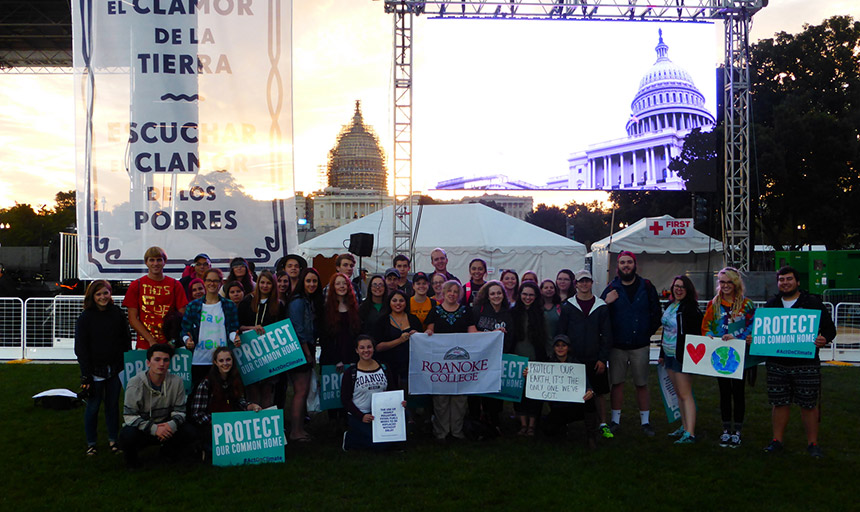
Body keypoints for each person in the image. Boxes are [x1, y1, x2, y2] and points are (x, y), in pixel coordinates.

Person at [761, 266, 836, 458]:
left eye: (789, 279)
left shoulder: (812, 302)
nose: (785, 283)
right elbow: (761, 332)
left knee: (809, 404)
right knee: (779, 403)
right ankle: (776, 440)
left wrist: (824, 339)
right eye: (781, 280)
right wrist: (755, 339)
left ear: (797, 282)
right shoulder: (771, 305)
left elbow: (830, 329)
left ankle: (813, 443)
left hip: (806, 364)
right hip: (777, 364)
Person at [600, 251, 661, 436]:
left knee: (641, 383)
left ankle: (645, 422)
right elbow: (601, 315)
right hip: (617, 346)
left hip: (640, 346)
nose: (626, 265)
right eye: (622, 262)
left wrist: (645, 332)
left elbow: (656, 313)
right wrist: (606, 302)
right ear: (618, 266)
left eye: (629, 262)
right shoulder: (611, 287)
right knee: (617, 383)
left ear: (635, 265)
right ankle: (615, 420)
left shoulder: (647, 286)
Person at [75, 280, 131, 455]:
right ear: (92, 296)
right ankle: (91, 443)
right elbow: (81, 348)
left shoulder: (117, 313)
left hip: (115, 368)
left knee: (112, 406)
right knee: (92, 407)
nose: (102, 297)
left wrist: (124, 361)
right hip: (94, 371)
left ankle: (113, 440)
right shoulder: (85, 317)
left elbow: (126, 339)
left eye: (105, 293)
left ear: (110, 293)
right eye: (98, 294)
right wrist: (86, 374)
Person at [702, 267, 756, 448]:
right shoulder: (714, 303)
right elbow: (706, 325)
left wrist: (739, 337)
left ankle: (737, 430)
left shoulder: (746, 304)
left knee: (738, 393)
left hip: (740, 356)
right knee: (724, 392)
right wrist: (709, 335)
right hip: (720, 354)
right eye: (722, 282)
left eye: (729, 282)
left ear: (736, 283)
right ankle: (726, 429)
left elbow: (752, 326)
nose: (725, 285)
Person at [556, 270, 613, 439]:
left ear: (591, 283)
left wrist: (603, 359)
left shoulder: (601, 306)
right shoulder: (568, 306)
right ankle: (566, 423)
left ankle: (603, 423)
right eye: (581, 281)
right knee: (569, 391)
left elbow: (607, 335)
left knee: (598, 393)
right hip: (574, 359)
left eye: (587, 281)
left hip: (595, 358)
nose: (584, 284)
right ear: (576, 284)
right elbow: (561, 333)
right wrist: (564, 357)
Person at [118, 343, 196, 468]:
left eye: (166, 360)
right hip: (144, 428)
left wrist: (171, 425)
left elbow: (180, 411)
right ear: (148, 363)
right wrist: (154, 429)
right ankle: (132, 462)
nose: (161, 364)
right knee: (127, 434)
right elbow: (129, 416)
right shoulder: (135, 383)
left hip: (166, 426)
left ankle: (168, 453)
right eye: (157, 360)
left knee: (189, 430)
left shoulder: (177, 382)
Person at [424, 280, 477, 441]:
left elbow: (473, 333)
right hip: (441, 365)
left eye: (455, 291)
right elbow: (429, 331)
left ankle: (456, 431)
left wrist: (493, 334)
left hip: (460, 364)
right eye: (449, 291)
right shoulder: (435, 311)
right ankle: (441, 432)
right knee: (441, 398)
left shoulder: (466, 311)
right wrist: (427, 333)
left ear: (459, 294)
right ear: (444, 292)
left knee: (460, 398)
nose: (452, 294)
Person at [189, 347, 262, 457]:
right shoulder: (206, 384)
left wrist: (251, 406)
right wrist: (217, 422)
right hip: (211, 427)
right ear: (215, 363)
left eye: (228, 360)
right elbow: (197, 414)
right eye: (221, 361)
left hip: (231, 425)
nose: (225, 363)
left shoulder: (235, 380)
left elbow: (239, 401)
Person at [658, 275, 703, 444]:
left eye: (682, 287)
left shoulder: (691, 309)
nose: (678, 289)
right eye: (676, 286)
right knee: (678, 394)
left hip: (682, 355)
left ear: (688, 290)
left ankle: (690, 432)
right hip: (669, 354)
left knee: (685, 393)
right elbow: (665, 330)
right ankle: (684, 427)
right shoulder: (671, 306)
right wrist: (662, 354)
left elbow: (696, 333)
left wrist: (689, 355)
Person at [340, 335, 404, 451]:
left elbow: (391, 390)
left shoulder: (384, 368)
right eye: (362, 348)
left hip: (382, 414)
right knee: (378, 445)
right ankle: (350, 438)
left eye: (369, 347)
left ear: (373, 349)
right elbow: (345, 399)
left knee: (397, 438)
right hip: (361, 415)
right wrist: (361, 416)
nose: (366, 351)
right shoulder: (351, 373)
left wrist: (399, 402)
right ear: (357, 350)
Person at [181, 268, 240, 390]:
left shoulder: (229, 305)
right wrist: (187, 340)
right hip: (200, 359)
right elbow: (184, 329)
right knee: (198, 394)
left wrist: (235, 338)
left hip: (222, 361)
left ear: (220, 283)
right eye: (208, 280)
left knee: (222, 394)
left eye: (215, 281)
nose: (211, 284)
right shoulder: (193, 305)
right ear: (204, 282)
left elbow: (233, 328)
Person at [123, 246, 188, 349]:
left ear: (164, 262)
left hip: (171, 344)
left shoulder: (175, 285)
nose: (155, 263)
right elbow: (132, 318)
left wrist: (172, 340)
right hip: (145, 344)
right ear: (146, 262)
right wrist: (150, 340)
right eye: (152, 260)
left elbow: (182, 315)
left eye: (159, 260)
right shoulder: (136, 285)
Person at [470, 280, 513, 436]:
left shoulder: (508, 313)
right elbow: (471, 334)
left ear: (503, 295)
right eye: (493, 293)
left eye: (499, 293)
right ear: (487, 296)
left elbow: (511, 337)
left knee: (494, 393)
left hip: (499, 357)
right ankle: (475, 422)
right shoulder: (478, 311)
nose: (496, 296)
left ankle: (494, 422)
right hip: (479, 358)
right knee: (477, 391)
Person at [237, 270, 284, 408]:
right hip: (250, 352)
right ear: (258, 284)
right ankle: (254, 423)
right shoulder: (247, 301)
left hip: (270, 353)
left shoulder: (278, 304)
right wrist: (252, 328)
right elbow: (238, 326)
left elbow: (281, 327)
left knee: (268, 390)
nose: (265, 286)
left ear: (273, 285)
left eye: (268, 283)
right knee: (252, 391)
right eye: (262, 282)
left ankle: (267, 423)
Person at [540, 334, 597, 447]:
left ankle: (591, 436)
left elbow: (588, 386)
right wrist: (529, 375)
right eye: (557, 345)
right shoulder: (548, 366)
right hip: (558, 407)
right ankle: (561, 428)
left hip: (575, 406)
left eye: (563, 345)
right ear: (554, 348)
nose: (560, 348)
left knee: (590, 401)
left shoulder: (577, 365)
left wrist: (590, 391)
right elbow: (539, 384)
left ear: (568, 348)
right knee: (548, 430)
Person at [287, 267, 323, 442]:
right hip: (299, 348)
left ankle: (300, 427)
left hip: (305, 345)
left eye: (314, 281)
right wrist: (307, 352)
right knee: (301, 391)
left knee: (304, 389)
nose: (311, 284)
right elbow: (298, 328)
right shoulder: (298, 301)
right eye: (308, 281)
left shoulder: (308, 300)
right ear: (302, 281)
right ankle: (295, 431)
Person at [511, 281, 547, 436]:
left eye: (531, 295)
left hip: (535, 357)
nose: (527, 297)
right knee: (518, 392)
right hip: (517, 357)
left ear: (536, 296)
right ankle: (523, 424)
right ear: (520, 295)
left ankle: (532, 425)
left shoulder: (541, 313)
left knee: (534, 393)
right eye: (525, 294)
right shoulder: (513, 312)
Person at [373, 290, 422, 393]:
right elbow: (378, 347)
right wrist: (400, 340)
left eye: (401, 300)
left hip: (411, 367)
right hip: (390, 367)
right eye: (394, 300)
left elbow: (423, 344)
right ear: (389, 302)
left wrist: (418, 336)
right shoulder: (382, 321)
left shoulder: (414, 319)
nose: (398, 303)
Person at [320, 272, 361, 369]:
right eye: (338, 284)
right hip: (332, 358)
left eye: (344, 283)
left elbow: (357, 333)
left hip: (351, 356)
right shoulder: (326, 310)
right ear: (333, 287)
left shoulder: (354, 308)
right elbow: (325, 338)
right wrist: (336, 360)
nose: (341, 286)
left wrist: (354, 359)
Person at [540, 279, 562, 358]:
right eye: (546, 288)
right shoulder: (537, 307)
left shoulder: (560, 307)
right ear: (541, 290)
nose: (549, 289)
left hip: (558, 345)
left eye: (551, 288)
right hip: (541, 346)